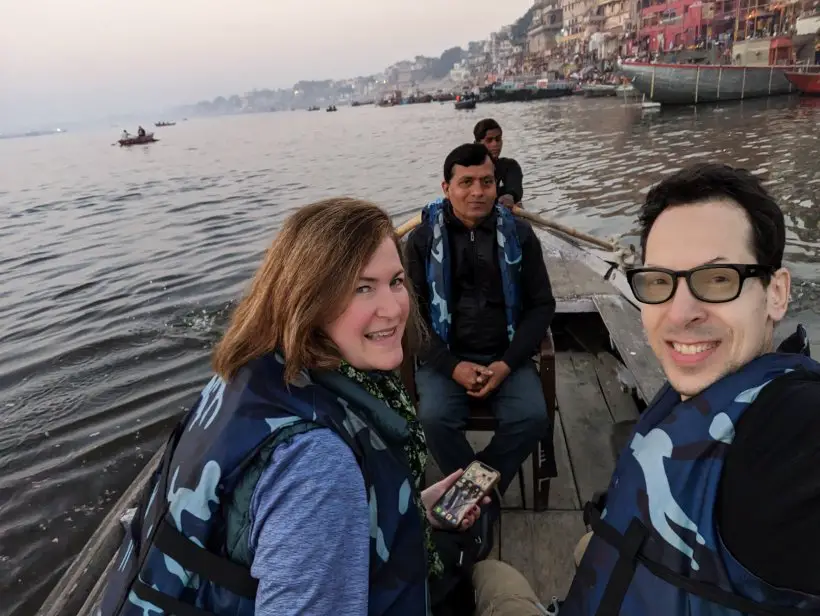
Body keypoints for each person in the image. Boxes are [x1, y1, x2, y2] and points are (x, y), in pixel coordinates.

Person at [98, 198, 494, 616]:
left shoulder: (243, 377)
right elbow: (308, 502)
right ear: (309, 299)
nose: (394, 308)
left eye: (396, 281)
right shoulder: (318, 466)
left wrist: (408, 512)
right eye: (362, 288)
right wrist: (336, 505)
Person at [561, 164, 820, 614]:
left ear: (776, 293)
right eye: (660, 281)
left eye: (718, 279)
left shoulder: (787, 431)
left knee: (489, 579)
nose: (680, 314)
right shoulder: (700, 388)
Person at [406, 143, 556, 525]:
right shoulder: (422, 241)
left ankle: (470, 492)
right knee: (433, 418)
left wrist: (506, 364)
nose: (478, 192)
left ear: (496, 185)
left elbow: (541, 306)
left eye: (486, 182)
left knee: (531, 416)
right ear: (446, 187)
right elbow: (412, 317)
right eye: (466, 182)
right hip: (445, 357)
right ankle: (483, 495)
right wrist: (452, 366)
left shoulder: (520, 235)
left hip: (505, 354)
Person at [473, 119, 523, 208]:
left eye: (498, 139)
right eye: (489, 140)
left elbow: (515, 186)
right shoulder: (467, 168)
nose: (495, 144)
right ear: (477, 143)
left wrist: (510, 195)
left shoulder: (510, 166)